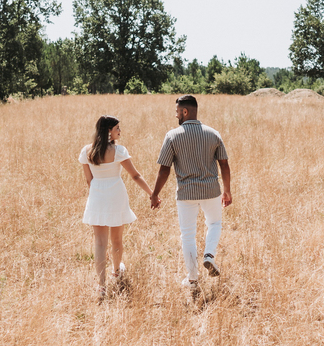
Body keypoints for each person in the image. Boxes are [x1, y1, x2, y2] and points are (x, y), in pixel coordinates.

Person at [150, 95, 232, 293]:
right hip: (211, 190)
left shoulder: (172, 136)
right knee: (214, 224)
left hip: (186, 193)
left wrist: (155, 194)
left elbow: (164, 170)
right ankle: (209, 256)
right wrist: (227, 190)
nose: (175, 114)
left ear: (185, 112)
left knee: (188, 235)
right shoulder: (213, 134)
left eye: (177, 110)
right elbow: (224, 164)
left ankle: (193, 280)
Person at [80, 115, 153, 301]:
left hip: (97, 195)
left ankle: (101, 286)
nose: (120, 131)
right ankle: (116, 272)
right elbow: (135, 176)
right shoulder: (119, 151)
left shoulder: (86, 152)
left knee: (99, 243)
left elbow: (89, 180)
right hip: (116, 195)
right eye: (117, 128)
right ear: (108, 131)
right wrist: (152, 193)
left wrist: (98, 193)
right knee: (117, 239)